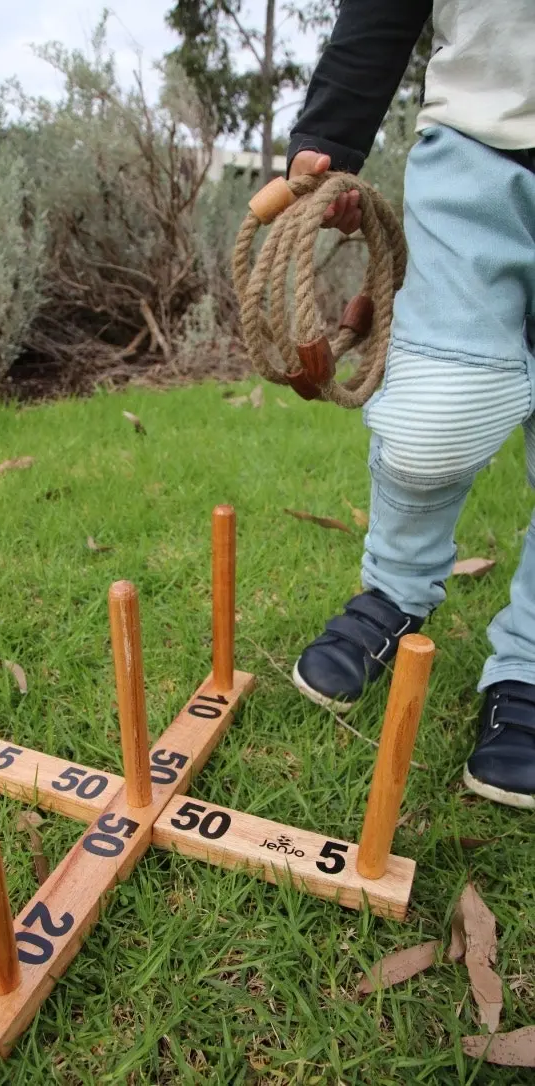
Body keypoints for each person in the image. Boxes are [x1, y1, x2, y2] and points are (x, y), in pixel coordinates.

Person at [286, 0, 535, 808]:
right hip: (479, 147)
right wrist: (327, 139)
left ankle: (529, 664)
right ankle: (395, 592)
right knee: (433, 419)